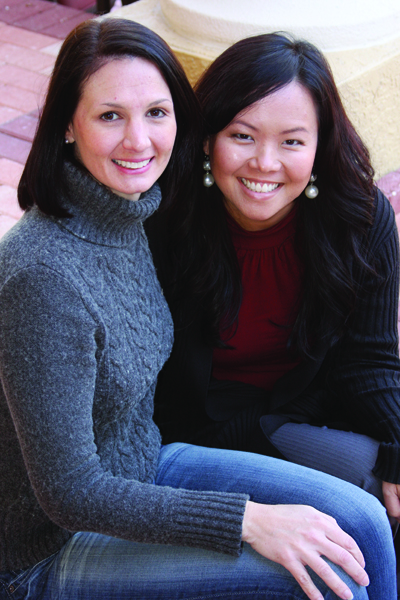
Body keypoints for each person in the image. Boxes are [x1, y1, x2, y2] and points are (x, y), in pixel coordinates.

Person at [0, 19, 395, 600]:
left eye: (156, 113)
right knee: (320, 573)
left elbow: (370, 358)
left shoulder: (129, 210)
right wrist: (249, 520)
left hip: (149, 466)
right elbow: (70, 491)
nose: (139, 141)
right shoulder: (45, 273)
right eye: (110, 116)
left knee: (360, 520)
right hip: (54, 544)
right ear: (67, 123)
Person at [147, 33, 400, 525]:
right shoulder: (163, 218)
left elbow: (368, 360)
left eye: (292, 142)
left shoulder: (360, 219)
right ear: (206, 137)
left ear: (320, 145)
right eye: (243, 135)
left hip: (302, 412)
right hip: (191, 435)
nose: (265, 163)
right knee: (368, 492)